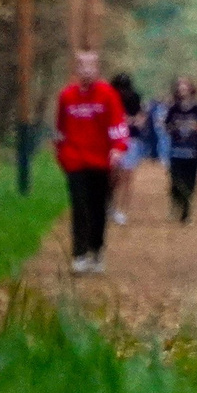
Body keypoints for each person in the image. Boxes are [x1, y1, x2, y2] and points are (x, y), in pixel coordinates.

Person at [54, 48, 129, 275]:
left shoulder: (108, 95)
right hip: (75, 161)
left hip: (101, 161)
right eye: (81, 65)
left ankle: (96, 251)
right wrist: (63, 157)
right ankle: (79, 254)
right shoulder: (67, 96)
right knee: (79, 207)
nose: (86, 70)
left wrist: (117, 149)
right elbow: (60, 130)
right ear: (76, 69)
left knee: (97, 208)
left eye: (90, 65)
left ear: (97, 68)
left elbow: (118, 125)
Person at [162, 76, 197, 223]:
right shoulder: (173, 108)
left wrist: (195, 127)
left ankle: (186, 212)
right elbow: (166, 127)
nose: (183, 90)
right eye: (180, 87)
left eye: (185, 86)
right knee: (175, 180)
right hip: (176, 150)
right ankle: (176, 203)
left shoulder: (196, 108)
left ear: (190, 89)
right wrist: (175, 127)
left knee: (191, 182)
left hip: (193, 151)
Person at [108, 72, 145, 226]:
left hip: (131, 139)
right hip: (113, 140)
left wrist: (135, 120)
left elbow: (141, 117)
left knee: (127, 176)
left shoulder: (135, 97)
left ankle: (121, 210)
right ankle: (110, 204)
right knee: (113, 175)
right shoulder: (108, 97)